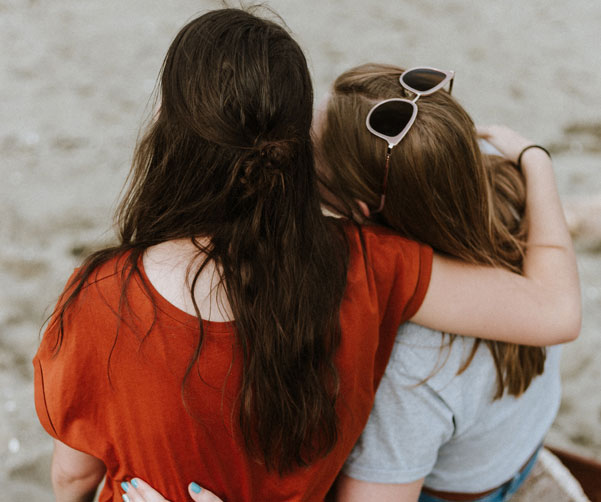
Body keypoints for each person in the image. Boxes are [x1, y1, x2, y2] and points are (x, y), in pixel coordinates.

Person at [33, 9, 579, 502]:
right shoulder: (373, 264)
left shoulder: (97, 298)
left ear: (165, 126)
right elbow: (552, 310)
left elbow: (74, 478)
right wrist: (535, 160)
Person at [317, 63, 562, 502]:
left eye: (307, 149)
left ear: (358, 209)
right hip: (517, 449)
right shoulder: (512, 190)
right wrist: (535, 161)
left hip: (459, 490)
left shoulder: (413, 362)